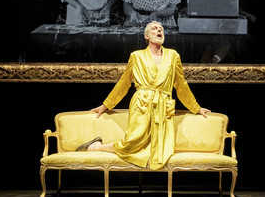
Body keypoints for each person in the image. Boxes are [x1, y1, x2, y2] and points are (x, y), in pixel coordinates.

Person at [79, 21, 210, 171]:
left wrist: (196, 107)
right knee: (131, 143)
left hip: (162, 106)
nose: (159, 30)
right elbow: (124, 83)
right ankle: (97, 147)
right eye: (155, 28)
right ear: (147, 36)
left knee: (161, 151)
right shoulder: (136, 56)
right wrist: (106, 105)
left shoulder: (173, 56)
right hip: (142, 104)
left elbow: (181, 84)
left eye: (161, 29)